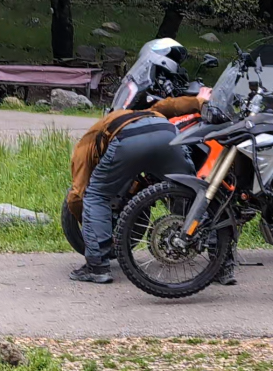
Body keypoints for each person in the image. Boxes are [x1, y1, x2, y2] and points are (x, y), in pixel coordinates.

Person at [67, 95, 205, 284]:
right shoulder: (145, 112)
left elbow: (77, 194)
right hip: (168, 133)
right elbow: (170, 104)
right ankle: (220, 259)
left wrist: (90, 224)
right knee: (194, 193)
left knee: (96, 195)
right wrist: (200, 101)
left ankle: (97, 267)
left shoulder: (87, 142)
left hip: (129, 141)